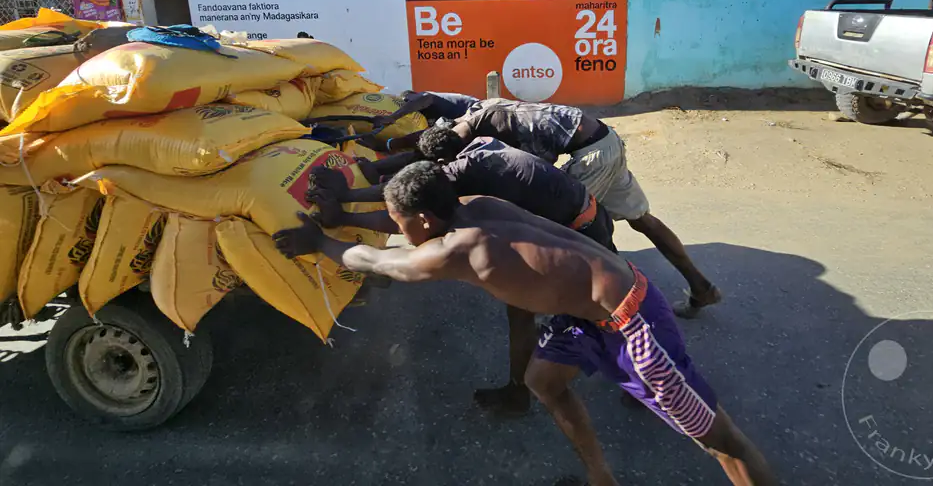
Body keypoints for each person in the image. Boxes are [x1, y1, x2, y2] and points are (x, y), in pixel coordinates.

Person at [274, 163, 774, 486]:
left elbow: (382, 262)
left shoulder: (459, 250)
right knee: (544, 381)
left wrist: (319, 242)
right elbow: (400, 226)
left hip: (631, 322)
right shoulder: (477, 208)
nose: (396, 228)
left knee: (718, 441)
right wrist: (343, 213)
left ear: (423, 221)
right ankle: (601, 478)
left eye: (400, 221)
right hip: (588, 312)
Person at [306, 132, 616, 415]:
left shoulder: (461, 213)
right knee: (537, 325)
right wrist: (345, 210)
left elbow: (390, 243)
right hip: (581, 225)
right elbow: (407, 213)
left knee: (603, 322)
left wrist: (328, 226)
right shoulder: (470, 192)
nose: (402, 229)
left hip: (583, 229)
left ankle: (637, 372)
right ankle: (524, 391)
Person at [419, 99, 721, 318]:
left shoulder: (497, 127)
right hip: (606, 139)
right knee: (641, 219)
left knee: (579, 231)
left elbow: (540, 178)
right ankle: (700, 286)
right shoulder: (481, 112)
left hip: (592, 156)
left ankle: (627, 313)